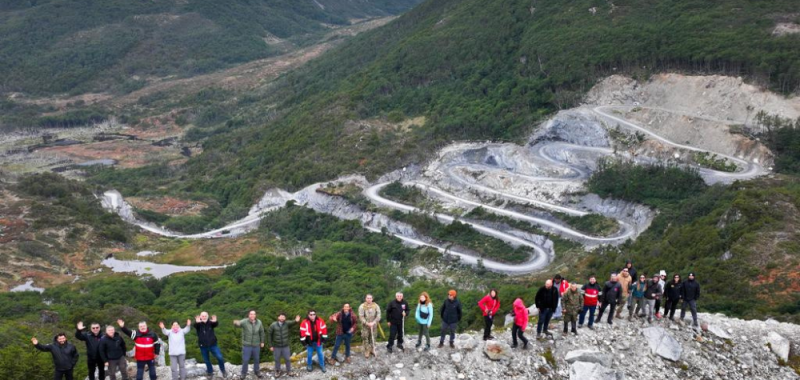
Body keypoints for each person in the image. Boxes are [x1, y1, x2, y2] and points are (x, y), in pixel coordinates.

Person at [233, 310, 266, 379]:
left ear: (255, 315)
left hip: (256, 344)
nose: (252, 315)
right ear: (248, 315)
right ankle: (243, 373)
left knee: (256, 359)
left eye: (254, 314)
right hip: (247, 345)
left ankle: (257, 371)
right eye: (251, 314)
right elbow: (239, 324)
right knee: (245, 360)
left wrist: (262, 342)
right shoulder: (245, 321)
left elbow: (262, 332)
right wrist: (236, 323)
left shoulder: (259, 322)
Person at [193, 312, 226, 378]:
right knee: (207, 360)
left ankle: (223, 370)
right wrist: (197, 322)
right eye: (202, 316)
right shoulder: (198, 325)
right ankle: (210, 372)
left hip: (213, 345)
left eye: (205, 316)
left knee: (220, 357)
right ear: (200, 316)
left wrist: (215, 320)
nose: (204, 317)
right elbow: (195, 325)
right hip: (203, 346)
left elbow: (215, 324)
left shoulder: (210, 323)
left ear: (207, 316)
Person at [358, 294, 381, 358]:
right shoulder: (362, 306)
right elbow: (361, 316)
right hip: (365, 325)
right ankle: (367, 350)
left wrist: (374, 322)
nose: (369, 299)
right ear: (365, 299)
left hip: (374, 324)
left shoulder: (376, 306)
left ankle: (372, 349)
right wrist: (367, 323)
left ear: (372, 299)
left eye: (370, 298)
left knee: (373, 336)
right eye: (368, 298)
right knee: (365, 337)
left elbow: (378, 315)